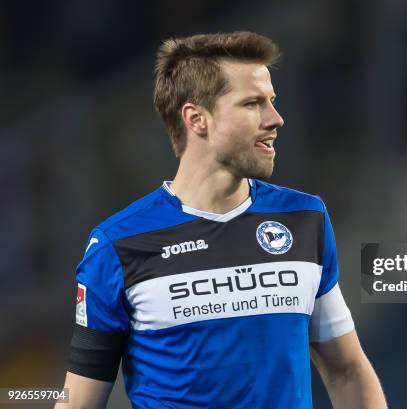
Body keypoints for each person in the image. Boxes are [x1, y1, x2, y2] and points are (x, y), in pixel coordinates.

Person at [56, 31, 386, 409]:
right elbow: (77, 403)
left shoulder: (304, 219)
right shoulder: (117, 245)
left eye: (272, 102)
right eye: (253, 104)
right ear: (197, 119)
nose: (276, 119)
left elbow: (346, 370)